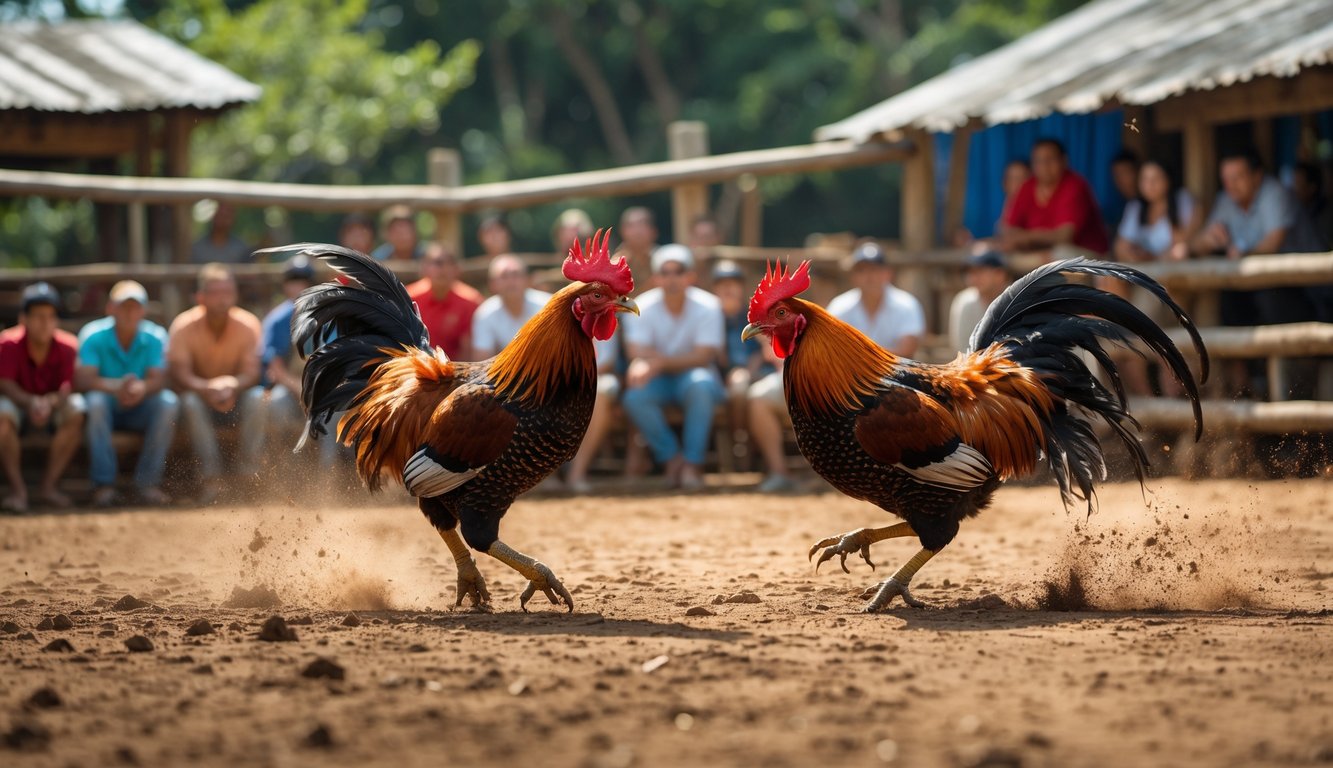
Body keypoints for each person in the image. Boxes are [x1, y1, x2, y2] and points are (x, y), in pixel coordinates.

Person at [620, 244, 726, 491]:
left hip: (691, 377)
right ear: (656, 278)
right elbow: (635, 352)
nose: (671, 278)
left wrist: (656, 362)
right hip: (661, 378)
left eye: (678, 271)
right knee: (634, 397)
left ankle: (692, 463)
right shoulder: (642, 306)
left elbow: (704, 356)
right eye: (665, 272)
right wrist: (655, 363)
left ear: (691, 276)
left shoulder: (709, 305)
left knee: (700, 384)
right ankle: (673, 460)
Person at [76, 281, 178, 508]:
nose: (130, 312)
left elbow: (159, 378)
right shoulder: (93, 335)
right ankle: (104, 485)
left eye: (135, 307)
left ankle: (148, 484)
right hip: (107, 408)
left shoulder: (155, 336)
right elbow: (83, 380)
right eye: (124, 306)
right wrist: (118, 387)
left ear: (143, 310)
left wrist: (141, 389)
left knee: (168, 403)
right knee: (95, 402)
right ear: (111, 308)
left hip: (140, 407)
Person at [168, 263, 263, 504]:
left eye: (228, 292)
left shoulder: (248, 324)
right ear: (200, 297)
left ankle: (249, 478)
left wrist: (232, 384)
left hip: (237, 398)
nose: (223, 299)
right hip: (199, 400)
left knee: (259, 398)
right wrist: (207, 388)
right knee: (189, 401)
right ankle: (211, 481)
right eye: (217, 292)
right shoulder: (183, 326)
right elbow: (179, 374)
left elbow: (252, 374)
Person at [238, 255, 337, 473]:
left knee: (336, 408)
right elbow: (274, 367)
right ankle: (275, 472)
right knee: (271, 404)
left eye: (303, 282)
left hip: (323, 390)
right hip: (290, 390)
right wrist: (302, 391)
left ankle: (329, 476)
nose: (298, 287)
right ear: (285, 285)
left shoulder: (329, 317)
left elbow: (335, 360)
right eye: (293, 281)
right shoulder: (277, 319)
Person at [0, 283, 86, 512]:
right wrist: (30, 402)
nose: (45, 322)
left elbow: (67, 386)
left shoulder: (68, 347)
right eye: (38, 316)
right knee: (2, 413)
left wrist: (49, 402)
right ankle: (18, 491)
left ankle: (48, 487)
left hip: (51, 407)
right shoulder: (7, 344)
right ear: (23, 319)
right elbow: (5, 383)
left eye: (50, 316)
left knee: (77, 409)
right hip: (18, 407)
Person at [999, 138, 1109, 257]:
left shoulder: (1075, 185)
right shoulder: (1027, 186)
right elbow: (1008, 230)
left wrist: (1026, 238)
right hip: (1039, 253)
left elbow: (1064, 236)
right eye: (1038, 161)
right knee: (998, 253)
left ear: (1064, 160)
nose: (1044, 166)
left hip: (1083, 255)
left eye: (1050, 159)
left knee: (1060, 254)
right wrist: (1025, 239)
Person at [711, 260, 769, 466]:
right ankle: (741, 440)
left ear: (742, 287)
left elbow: (765, 350)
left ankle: (744, 441)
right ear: (714, 288)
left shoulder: (754, 315)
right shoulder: (708, 316)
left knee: (741, 385)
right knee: (738, 386)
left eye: (733, 283)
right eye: (722, 284)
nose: (728, 288)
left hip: (756, 372)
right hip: (719, 376)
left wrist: (750, 369)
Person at [827, 242, 926, 357]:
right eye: (861, 270)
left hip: (896, 374)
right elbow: (830, 348)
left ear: (887, 273)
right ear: (853, 277)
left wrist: (859, 357)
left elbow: (907, 351)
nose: (868, 276)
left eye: (874, 269)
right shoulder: (840, 306)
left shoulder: (907, 304)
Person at [406, 243, 483, 360]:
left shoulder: (471, 302)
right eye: (438, 263)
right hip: (414, 367)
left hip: (457, 371)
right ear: (424, 268)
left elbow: (469, 350)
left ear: (457, 269)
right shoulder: (409, 298)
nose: (443, 269)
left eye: (450, 263)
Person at [1115, 161, 1199, 263]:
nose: (1149, 185)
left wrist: (1154, 258)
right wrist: (1135, 254)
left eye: (1156, 179)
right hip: (1144, 272)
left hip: (1175, 268)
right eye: (1145, 179)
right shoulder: (1135, 207)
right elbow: (1121, 246)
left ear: (1168, 180)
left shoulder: (1181, 199)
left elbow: (1184, 241)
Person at [470, 255, 551, 359]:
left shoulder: (547, 306)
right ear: (492, 284)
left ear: (527, 280)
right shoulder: (484, 314)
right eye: (504, 276)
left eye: (515, 275)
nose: (511, 281)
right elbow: (481, 358)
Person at [948, 250, 1010, 352]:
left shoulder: (1018, 298)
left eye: (980, 271)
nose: (973, 277)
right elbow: (962, 349)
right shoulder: (964, 302)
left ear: (999, 274)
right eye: (970, 272)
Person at [617, 206, 660, 282]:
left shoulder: (665, 260)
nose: (637, 231)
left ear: (654, 231)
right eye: (631, 226)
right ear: (622, 231)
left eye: (642, 224)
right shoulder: (615, 261)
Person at [1107, 149, 1142, 233]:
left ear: (1137, 172)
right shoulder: (1121, 205)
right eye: (1116, 175)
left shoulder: (1148, 204)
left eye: (1124, 173)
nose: (1119, 180)